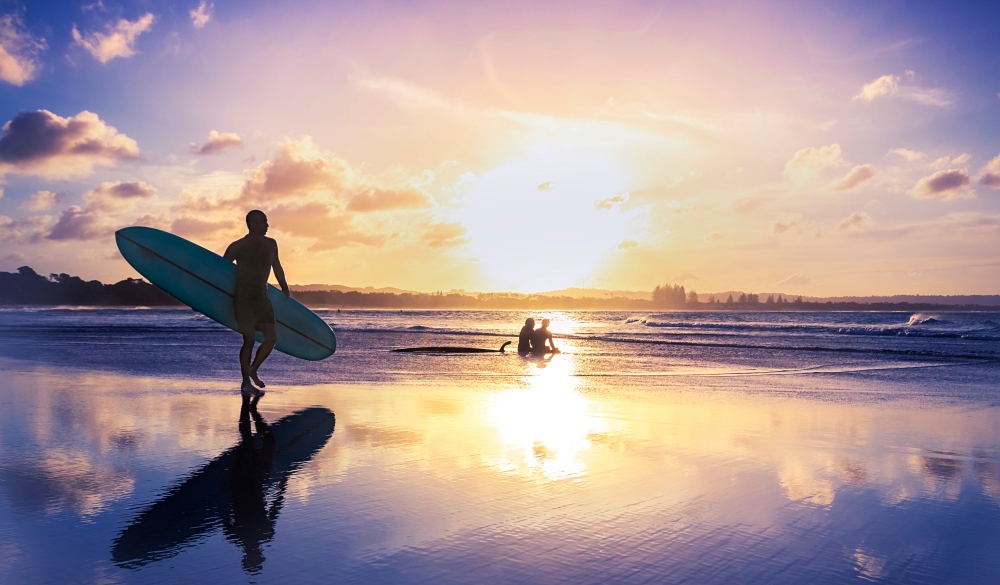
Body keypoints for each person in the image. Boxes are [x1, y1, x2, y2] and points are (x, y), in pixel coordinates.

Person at [224, 210, 290, 397]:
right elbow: (220, 273)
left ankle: (253, 369)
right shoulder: (238, 246)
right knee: (249, 339)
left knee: (272, 338)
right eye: (263, 222)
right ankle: (246, 381)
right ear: (253, 224)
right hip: (243, 300)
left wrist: (285, 287)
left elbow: (276, 266)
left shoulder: (271, 244)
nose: (267, 225)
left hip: (263, 299)